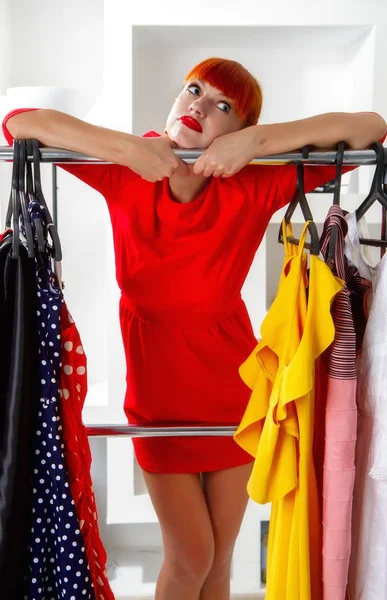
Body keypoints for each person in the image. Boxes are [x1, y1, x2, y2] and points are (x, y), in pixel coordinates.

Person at [3, 57, 386, 600]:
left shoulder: (254, 182)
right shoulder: (126, 169)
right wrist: (125, 147)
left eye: (223, 106)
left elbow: (371, 127)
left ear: (237, 130)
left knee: (220, 562)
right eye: (194, 91)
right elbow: (18, 123)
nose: (200, 107)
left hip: (232, 393)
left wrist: (256, 144)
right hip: (159, 397)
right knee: (191, 557)